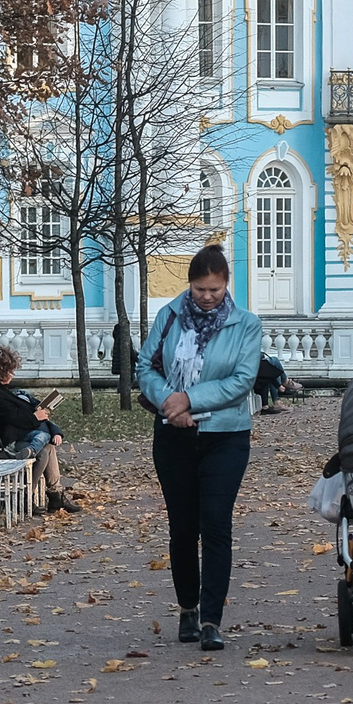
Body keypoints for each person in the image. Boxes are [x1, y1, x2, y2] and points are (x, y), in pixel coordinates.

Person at [136, 243, 262, 651]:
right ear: (189, 285)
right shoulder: (170, 316)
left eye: (214, 290)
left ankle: (212, 619)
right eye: (200, 289)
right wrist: (170, 404)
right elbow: (146, 368)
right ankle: (187, 609)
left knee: (216, 525)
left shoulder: (245, 325)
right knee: (183, 527)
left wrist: (191, 399)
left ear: (227, 284)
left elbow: (241, 381)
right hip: (174, 435)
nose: (207, 297)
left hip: (225, 435)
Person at [0, 345, 80, 513]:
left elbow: (16, 411)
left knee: (47, 447)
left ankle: (55, 495)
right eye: (10, 372)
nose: (12, 375)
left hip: (2, 440)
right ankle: (25, 498)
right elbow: (15, 417)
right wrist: (36, 417)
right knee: (43, 452)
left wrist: (36, 413)